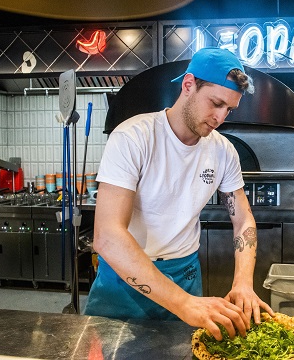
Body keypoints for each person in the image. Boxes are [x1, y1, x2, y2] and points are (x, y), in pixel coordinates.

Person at [84, 47, 274, 340]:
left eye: (229, 110)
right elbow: (108, 236)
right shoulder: (134, 137)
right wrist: (184, 304)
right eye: (216, 103)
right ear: (188, 85)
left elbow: (243, 220)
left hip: (185, 275)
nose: (220, 117)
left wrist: (243, 283)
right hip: (124, 282)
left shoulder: (223, 151)